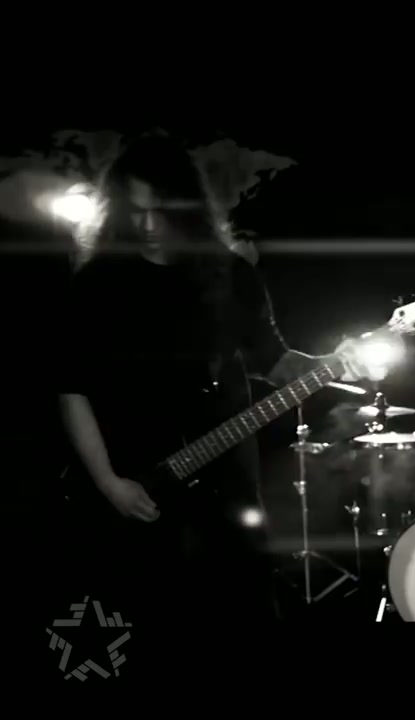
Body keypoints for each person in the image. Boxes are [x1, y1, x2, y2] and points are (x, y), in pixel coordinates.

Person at [57, 133, 370, 625]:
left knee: (243, 605)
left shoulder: (230, 275)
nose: (148, 225)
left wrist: (334, 362)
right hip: (133, 483)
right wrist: (108, 483)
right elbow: (71, 387)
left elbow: (276, 362)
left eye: (161, 211)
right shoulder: (98, 283)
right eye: (136, 211)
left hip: (226, 485)